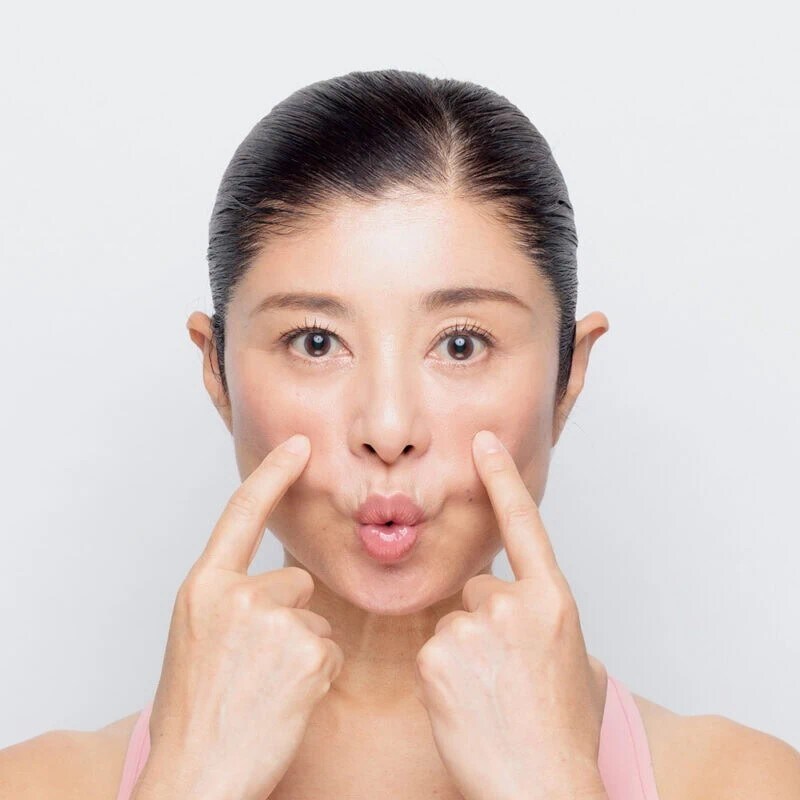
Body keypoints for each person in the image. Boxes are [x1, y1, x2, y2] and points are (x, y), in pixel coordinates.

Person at [2, 68, 798, 800]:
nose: (388, 429)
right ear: (217, 372)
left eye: (462, 344)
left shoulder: (746, 784)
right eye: (316, 342)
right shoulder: (37, 785)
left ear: (568, 375)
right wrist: (188, 783)